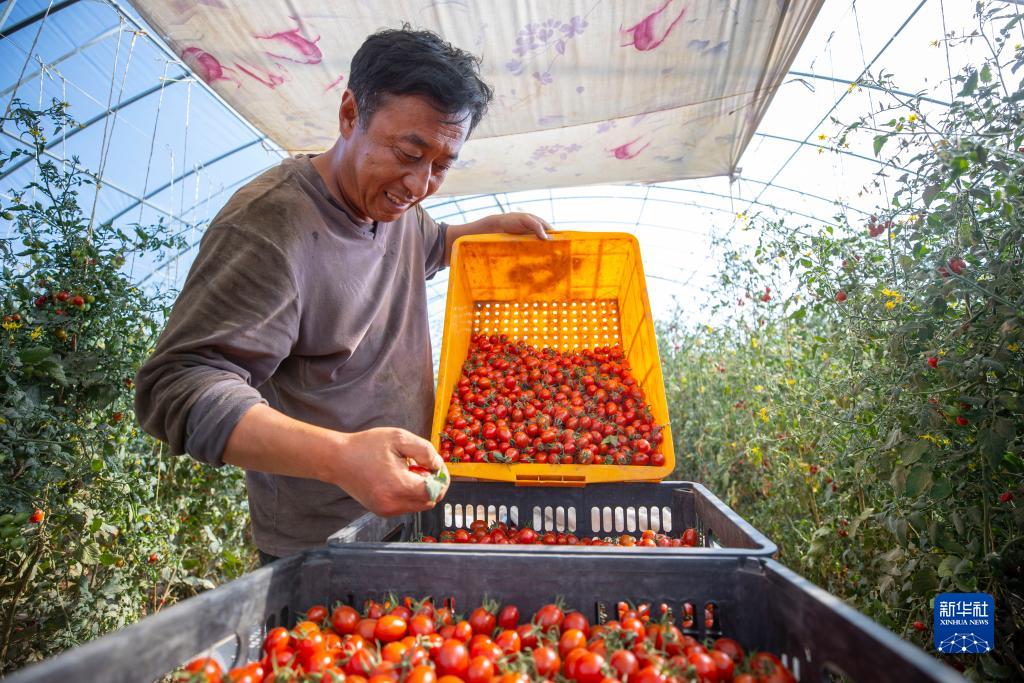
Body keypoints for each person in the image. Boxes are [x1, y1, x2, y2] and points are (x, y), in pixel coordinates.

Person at [134, 27, 552, 564]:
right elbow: (180, 384)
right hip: (324, 545)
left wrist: (479, 230)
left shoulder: (392, 205)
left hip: (413, 510)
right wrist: (342, 458)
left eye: (442, 166)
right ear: (350, 114)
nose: (420, 184)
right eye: (409, 152)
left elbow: (426, 246)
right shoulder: (270, 228)